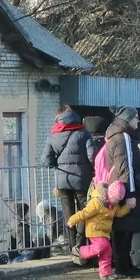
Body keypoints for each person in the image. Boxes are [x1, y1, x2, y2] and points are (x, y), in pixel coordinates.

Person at [42, 106, 94, 256]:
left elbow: (45, 160)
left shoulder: (53, 135)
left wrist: (57, 165)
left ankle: (73, 250)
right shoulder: (83, 132)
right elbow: (92, 156)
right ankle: (81, 243)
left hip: (63, 180)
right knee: (85, 211)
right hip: (82, 178)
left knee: (68, 213)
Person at [67, 181, 132, 280]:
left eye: (118, 201)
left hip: (105, 232)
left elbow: (118, 213)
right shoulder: (97, 202)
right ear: (109, 195)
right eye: (115, 199)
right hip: (94, 230)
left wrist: (127, 207)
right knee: (102, 246)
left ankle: (105, 274)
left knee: (107, 252)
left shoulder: (114, 205)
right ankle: (82, 251)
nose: (116, 202)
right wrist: (72, 220)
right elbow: (84, 213)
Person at [105, 106, 140, 276]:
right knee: (124, 229)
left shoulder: (114, 136)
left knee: (121, 229)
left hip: (116, 188)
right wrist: (130, 195)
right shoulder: (124, 138)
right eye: (136, 117)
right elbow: (126, 167)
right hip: (124, 190)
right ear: (127, 120)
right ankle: (123, 266)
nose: (138, 120)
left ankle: (124, 265)